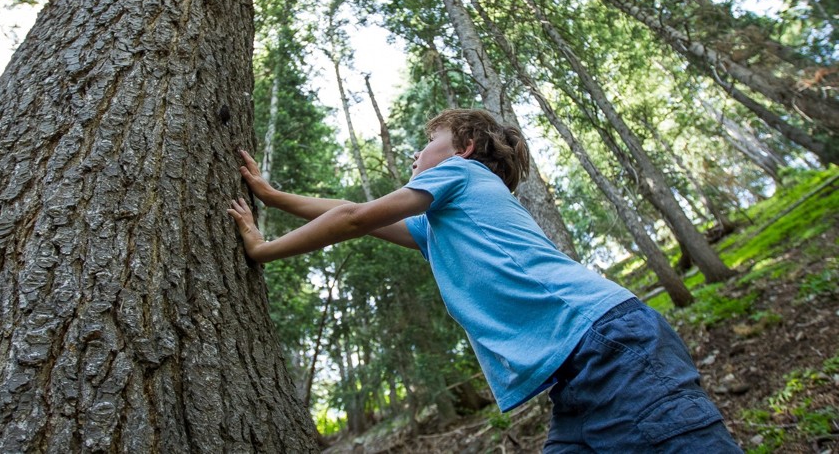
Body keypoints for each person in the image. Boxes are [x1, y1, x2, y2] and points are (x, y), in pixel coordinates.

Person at [228, 108, 741, 452]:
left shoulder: (462, 175)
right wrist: (273, 199)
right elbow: (351, 213)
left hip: (607, 344)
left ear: (465, 147)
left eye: (427, 144)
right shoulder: (447, 220)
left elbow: (356, 217)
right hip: (576, 377)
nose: (416, 155)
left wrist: (264, 249)